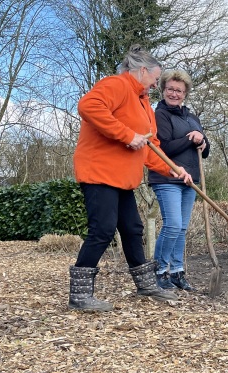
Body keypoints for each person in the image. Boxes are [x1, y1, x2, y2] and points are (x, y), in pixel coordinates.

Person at [69, 45, 193, 312]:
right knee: (103, 229)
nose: (156, 86)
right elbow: (88, 105)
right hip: (100, 171)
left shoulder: (142, 101)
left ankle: (146, 285)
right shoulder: (116, 85)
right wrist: (127, 135)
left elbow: (151, 145)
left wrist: (172, 169)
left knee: (132, 229)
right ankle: (79, 295)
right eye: (154, 79)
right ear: (143, 70)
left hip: (122, 177)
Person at [148, 70, 210, 291]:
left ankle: (176, 272)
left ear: (185, 94)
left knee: (181, 228)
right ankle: (159, 271)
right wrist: (189, 138)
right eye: (170, 89)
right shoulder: (160, 115)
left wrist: (203, 141)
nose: (174, 93)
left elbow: (204, 151)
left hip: (190, 179)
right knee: (172, 225)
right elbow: (162, 147)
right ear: (164, 90)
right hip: (167, 177)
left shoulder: (192, 117)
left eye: (179, 91)